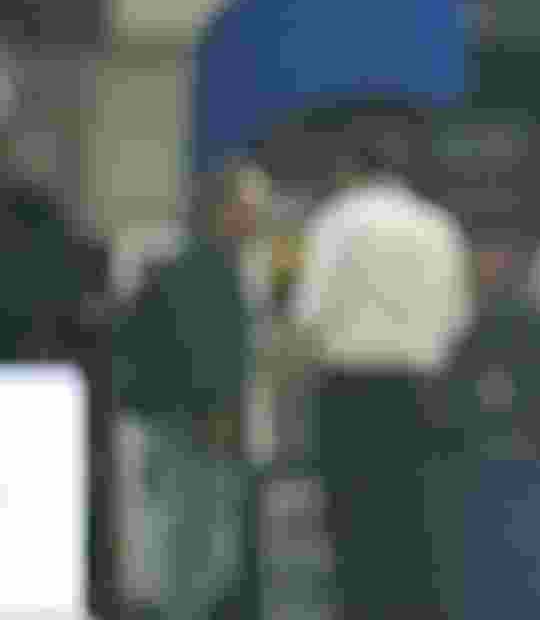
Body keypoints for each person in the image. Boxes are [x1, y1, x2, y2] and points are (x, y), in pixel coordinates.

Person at [290, 126, 475, 620]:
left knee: (355, 535)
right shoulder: (440, 227)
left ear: (351, 170)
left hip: (350, 396)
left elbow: (307, 316)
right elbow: (458, 322)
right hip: (421, 398)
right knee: (416, 533)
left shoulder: (334, 222)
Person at [112, 161, 271, 620]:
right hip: (196, 433)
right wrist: (222, 423)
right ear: (220, 210)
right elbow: (204, 356)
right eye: (248, 209)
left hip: (183, 428)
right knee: (194, 557)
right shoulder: (202, 267)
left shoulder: (180, 262)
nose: (255, 219)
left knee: (188, 553)